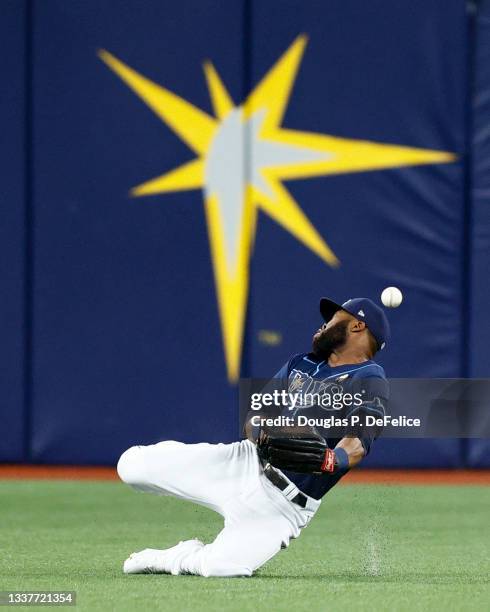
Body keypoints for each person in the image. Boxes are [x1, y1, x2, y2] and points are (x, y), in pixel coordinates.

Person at [117, 296, 390, 577]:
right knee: (131, 466)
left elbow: (360, 440)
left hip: (283, 505)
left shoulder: (370, 377)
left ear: (357, 326)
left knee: (221, 568)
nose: (323, 324)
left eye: (333, 318)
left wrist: (332, 459)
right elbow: (256, 413)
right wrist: (261, 430)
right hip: (244, 463)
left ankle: (176, 558)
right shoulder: (301, 363)